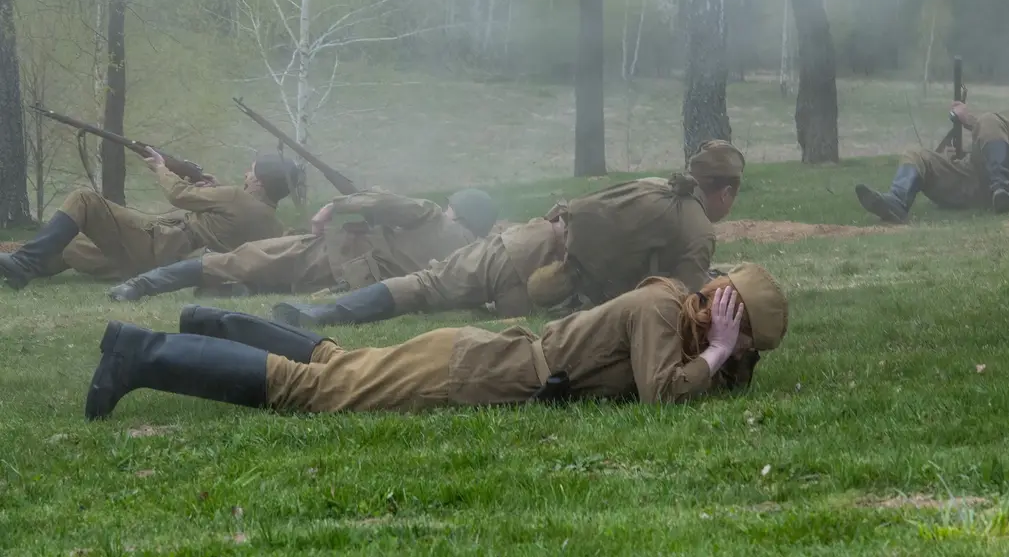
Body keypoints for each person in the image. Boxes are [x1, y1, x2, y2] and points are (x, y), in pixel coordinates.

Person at [83, 262, 788, 420]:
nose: (740, 353)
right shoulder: (659, 313)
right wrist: (720, 350)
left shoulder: (673, 307)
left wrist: (725, 354)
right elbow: (666, 393)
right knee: (316, 389)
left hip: (480, 355)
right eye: (745, 338)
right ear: (721, 310)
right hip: (474, 372)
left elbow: (707, 384)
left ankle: (208, 322)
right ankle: (137, 353)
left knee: (334, 360)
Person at [268, 139, 745, 329]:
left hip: (521, 244)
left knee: (427, 284)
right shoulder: (698, 229)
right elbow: (680, 302)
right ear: (725, 191)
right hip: (548, 295)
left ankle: (324, 314)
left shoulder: (654, 186)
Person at [105, 188, 499, 302]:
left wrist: (333, 207)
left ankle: (143, 285)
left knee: (240, 259)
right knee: (266, 277)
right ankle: (239, 290)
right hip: (354, 287)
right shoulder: (470, 255)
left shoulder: (430, 214)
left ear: (457, 211)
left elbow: (382, 200)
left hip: (333, 255)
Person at [0, 149, 300, 290]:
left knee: (83, 200)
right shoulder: (272, 225)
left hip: (158, 248)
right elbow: (229, 224)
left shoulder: (235, 196)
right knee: (71, 244)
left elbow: (178, 195)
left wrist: (160, 167)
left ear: (259, 182)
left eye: (251, 171)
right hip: (169, 270)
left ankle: (24, 262)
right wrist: (213, 189)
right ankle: (20, 270)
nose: (246, 175)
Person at [855, 103, 1009, 223]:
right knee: (916, 154)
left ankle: (1002, 188)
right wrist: (953, 158)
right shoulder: (994, 140)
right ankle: (897, 201)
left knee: (989, 118)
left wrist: (968, 119)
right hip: (975, 182)